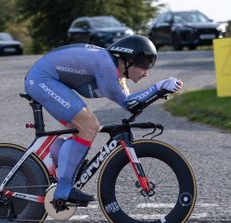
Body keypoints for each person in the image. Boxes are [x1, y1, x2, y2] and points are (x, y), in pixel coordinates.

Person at [24, 35, 183, 206]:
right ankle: (63, 190)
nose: (146, 73)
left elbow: (133, 103)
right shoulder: (106, 65)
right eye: (144, 65)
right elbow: (129, 104)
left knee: (80, 130)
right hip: (42, 79)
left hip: (45, 78)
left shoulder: (117, 73)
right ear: (128, 60)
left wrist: (157, 92)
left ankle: (55, 173)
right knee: (90, 126)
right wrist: (158, 87)